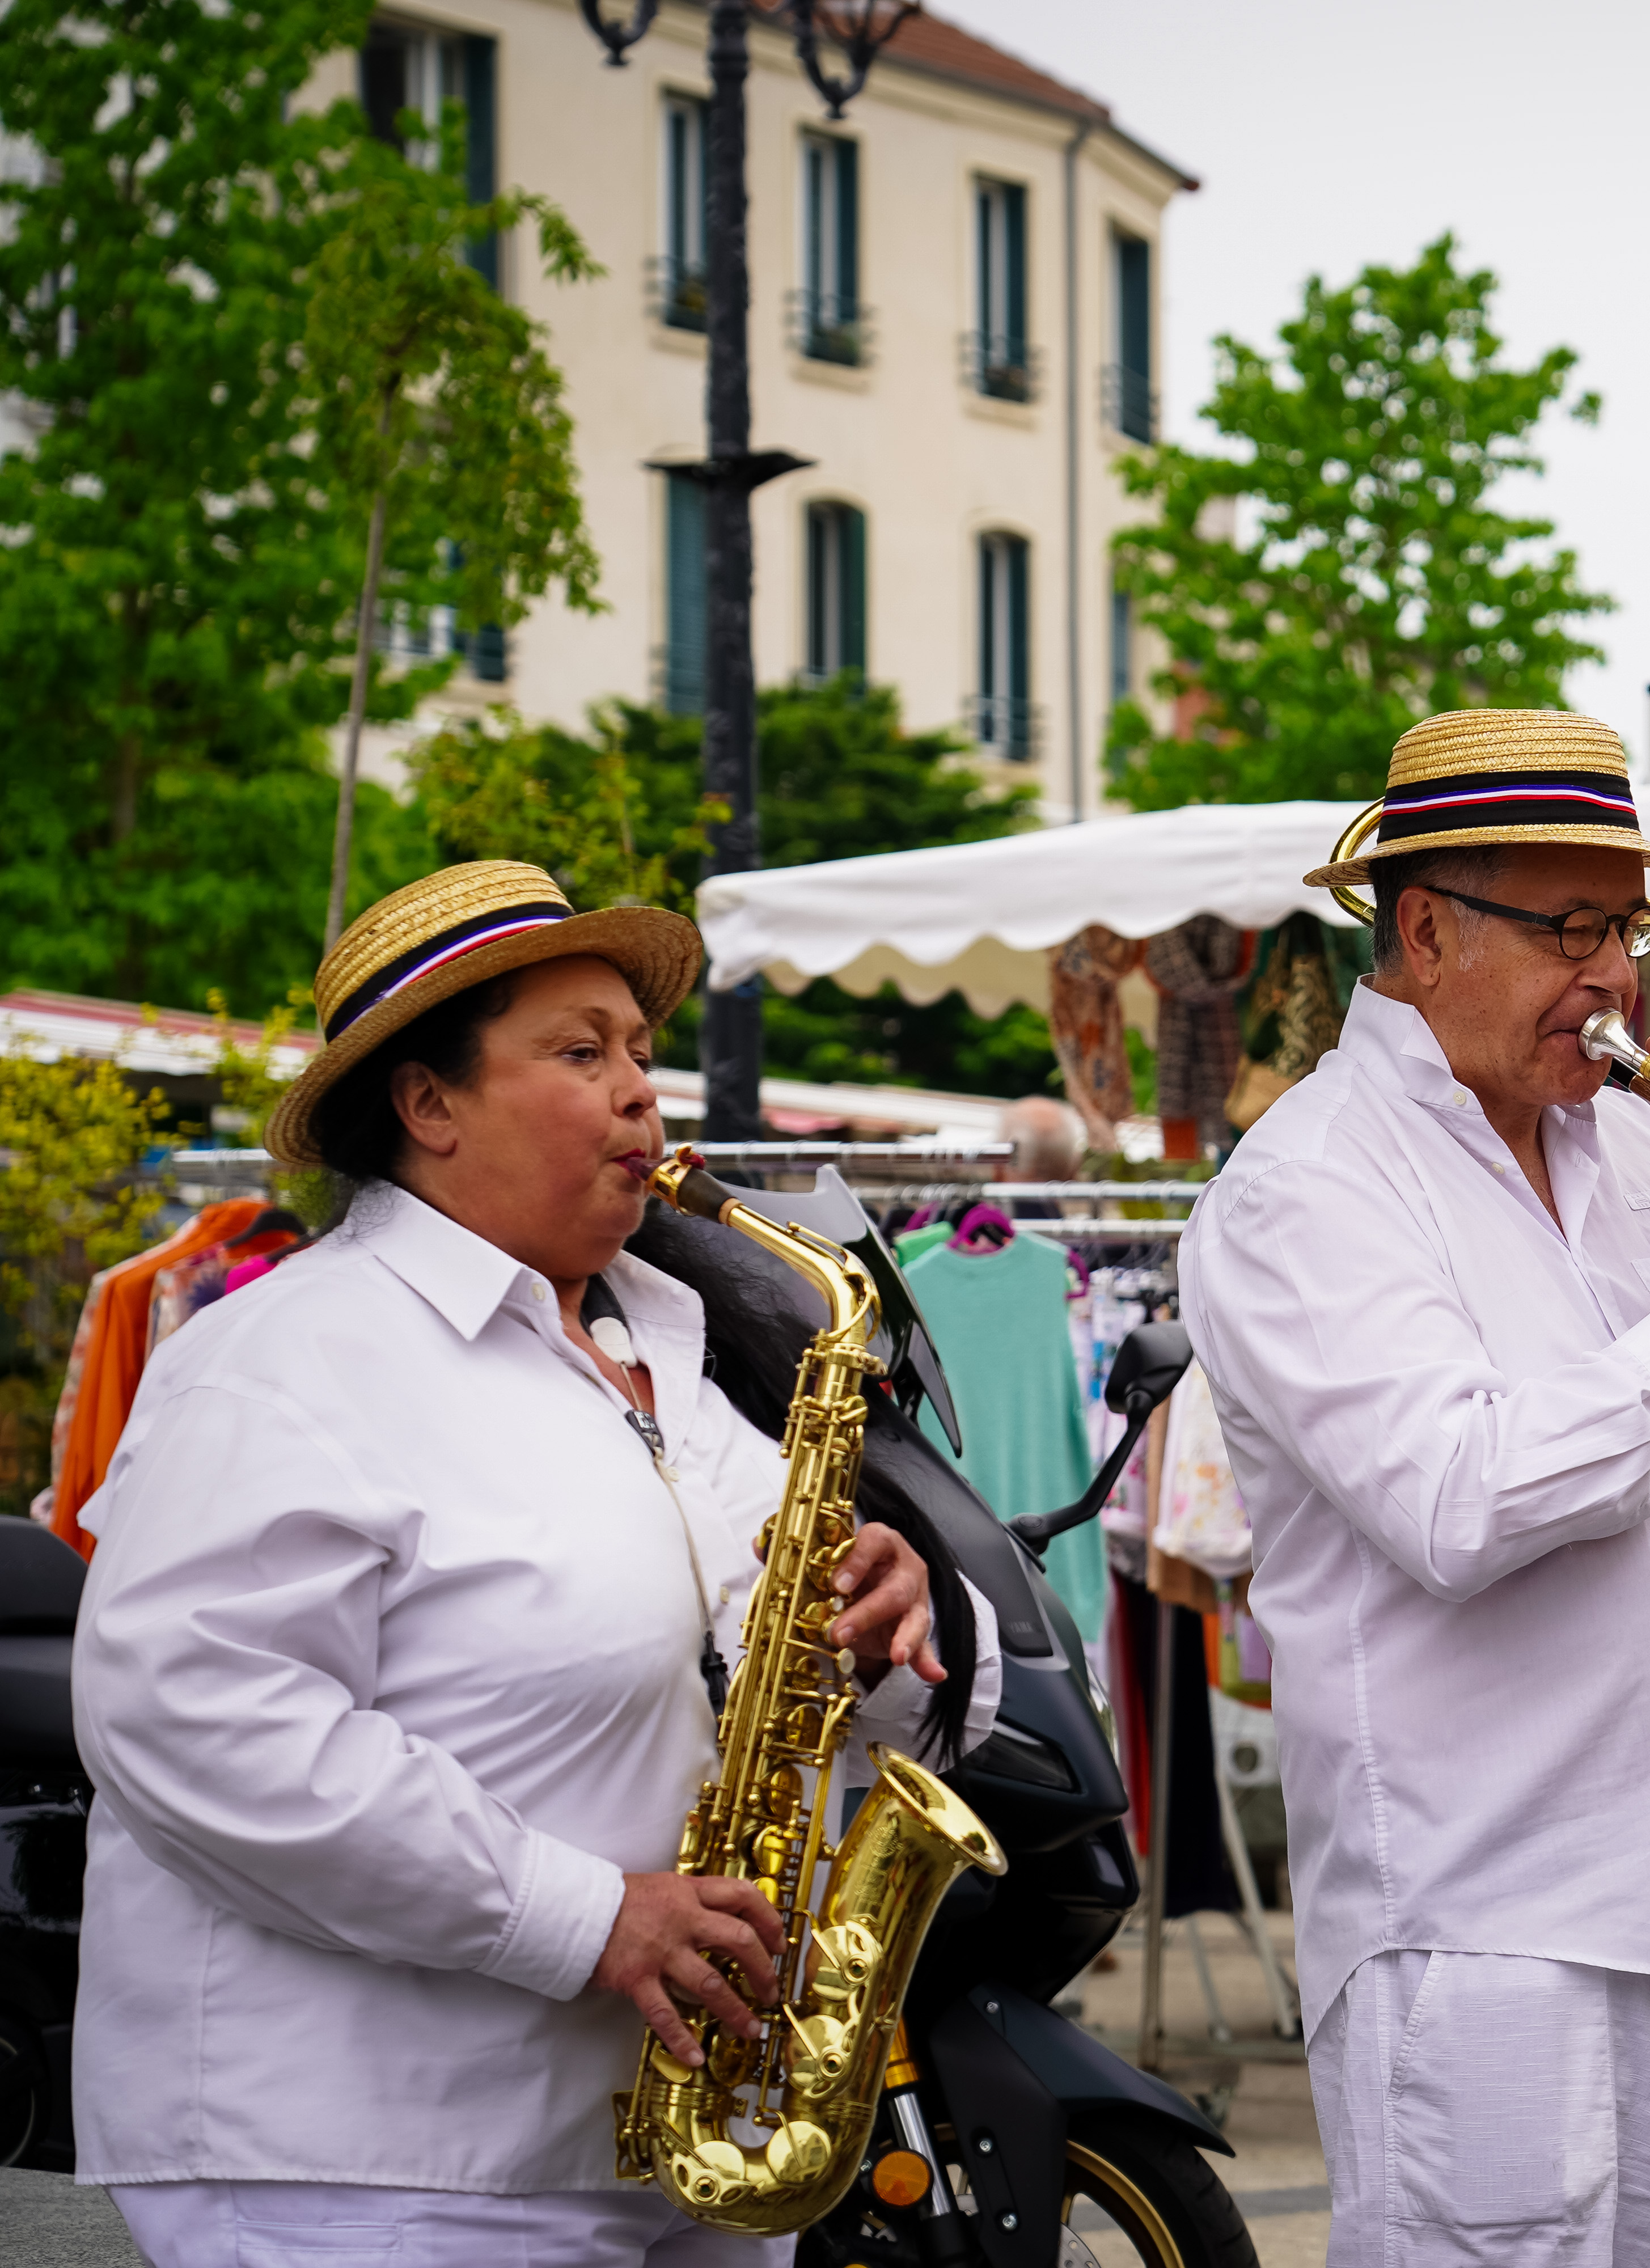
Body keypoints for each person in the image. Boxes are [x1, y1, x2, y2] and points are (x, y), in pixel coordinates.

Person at [71, 861, 1002, 2267]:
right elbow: (196, 1716)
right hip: (370, 2165)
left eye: (640, 1048)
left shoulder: (669, 1358)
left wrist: (895, 1619)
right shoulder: (280, 1361)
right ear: (427, 1102)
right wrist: (587, 1918)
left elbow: (846, 1688)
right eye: (580, 1051)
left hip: (669, 2145)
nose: (644, 1092)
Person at [1184, 710, 1650, 2267]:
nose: (1617, 980)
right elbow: (1459, 1500)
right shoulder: (1307, 1187)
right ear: (1429, 930)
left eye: (1629, 929)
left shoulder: (1640, 1152)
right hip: (1495, 1933)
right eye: (1571, 929)